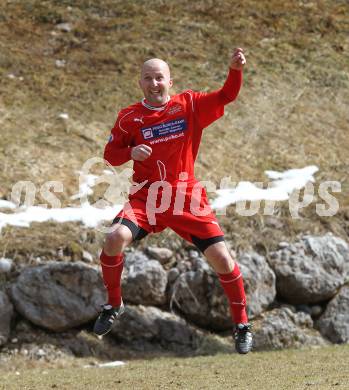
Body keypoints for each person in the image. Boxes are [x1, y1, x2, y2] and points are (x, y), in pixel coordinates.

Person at [93, 48, 253, 354]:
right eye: (148, 78)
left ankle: (242, 324)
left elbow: (226, 96)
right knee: (114, 237)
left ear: (170, 81)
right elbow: (110, 155)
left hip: (186, 199)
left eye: (160, 77)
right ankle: (113, 304)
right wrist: (130, 152)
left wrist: (235, 70)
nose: (155, 83)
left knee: (222, 259)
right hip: (146, 199)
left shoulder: (189, 104)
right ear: (140, 83)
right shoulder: (129, 117)